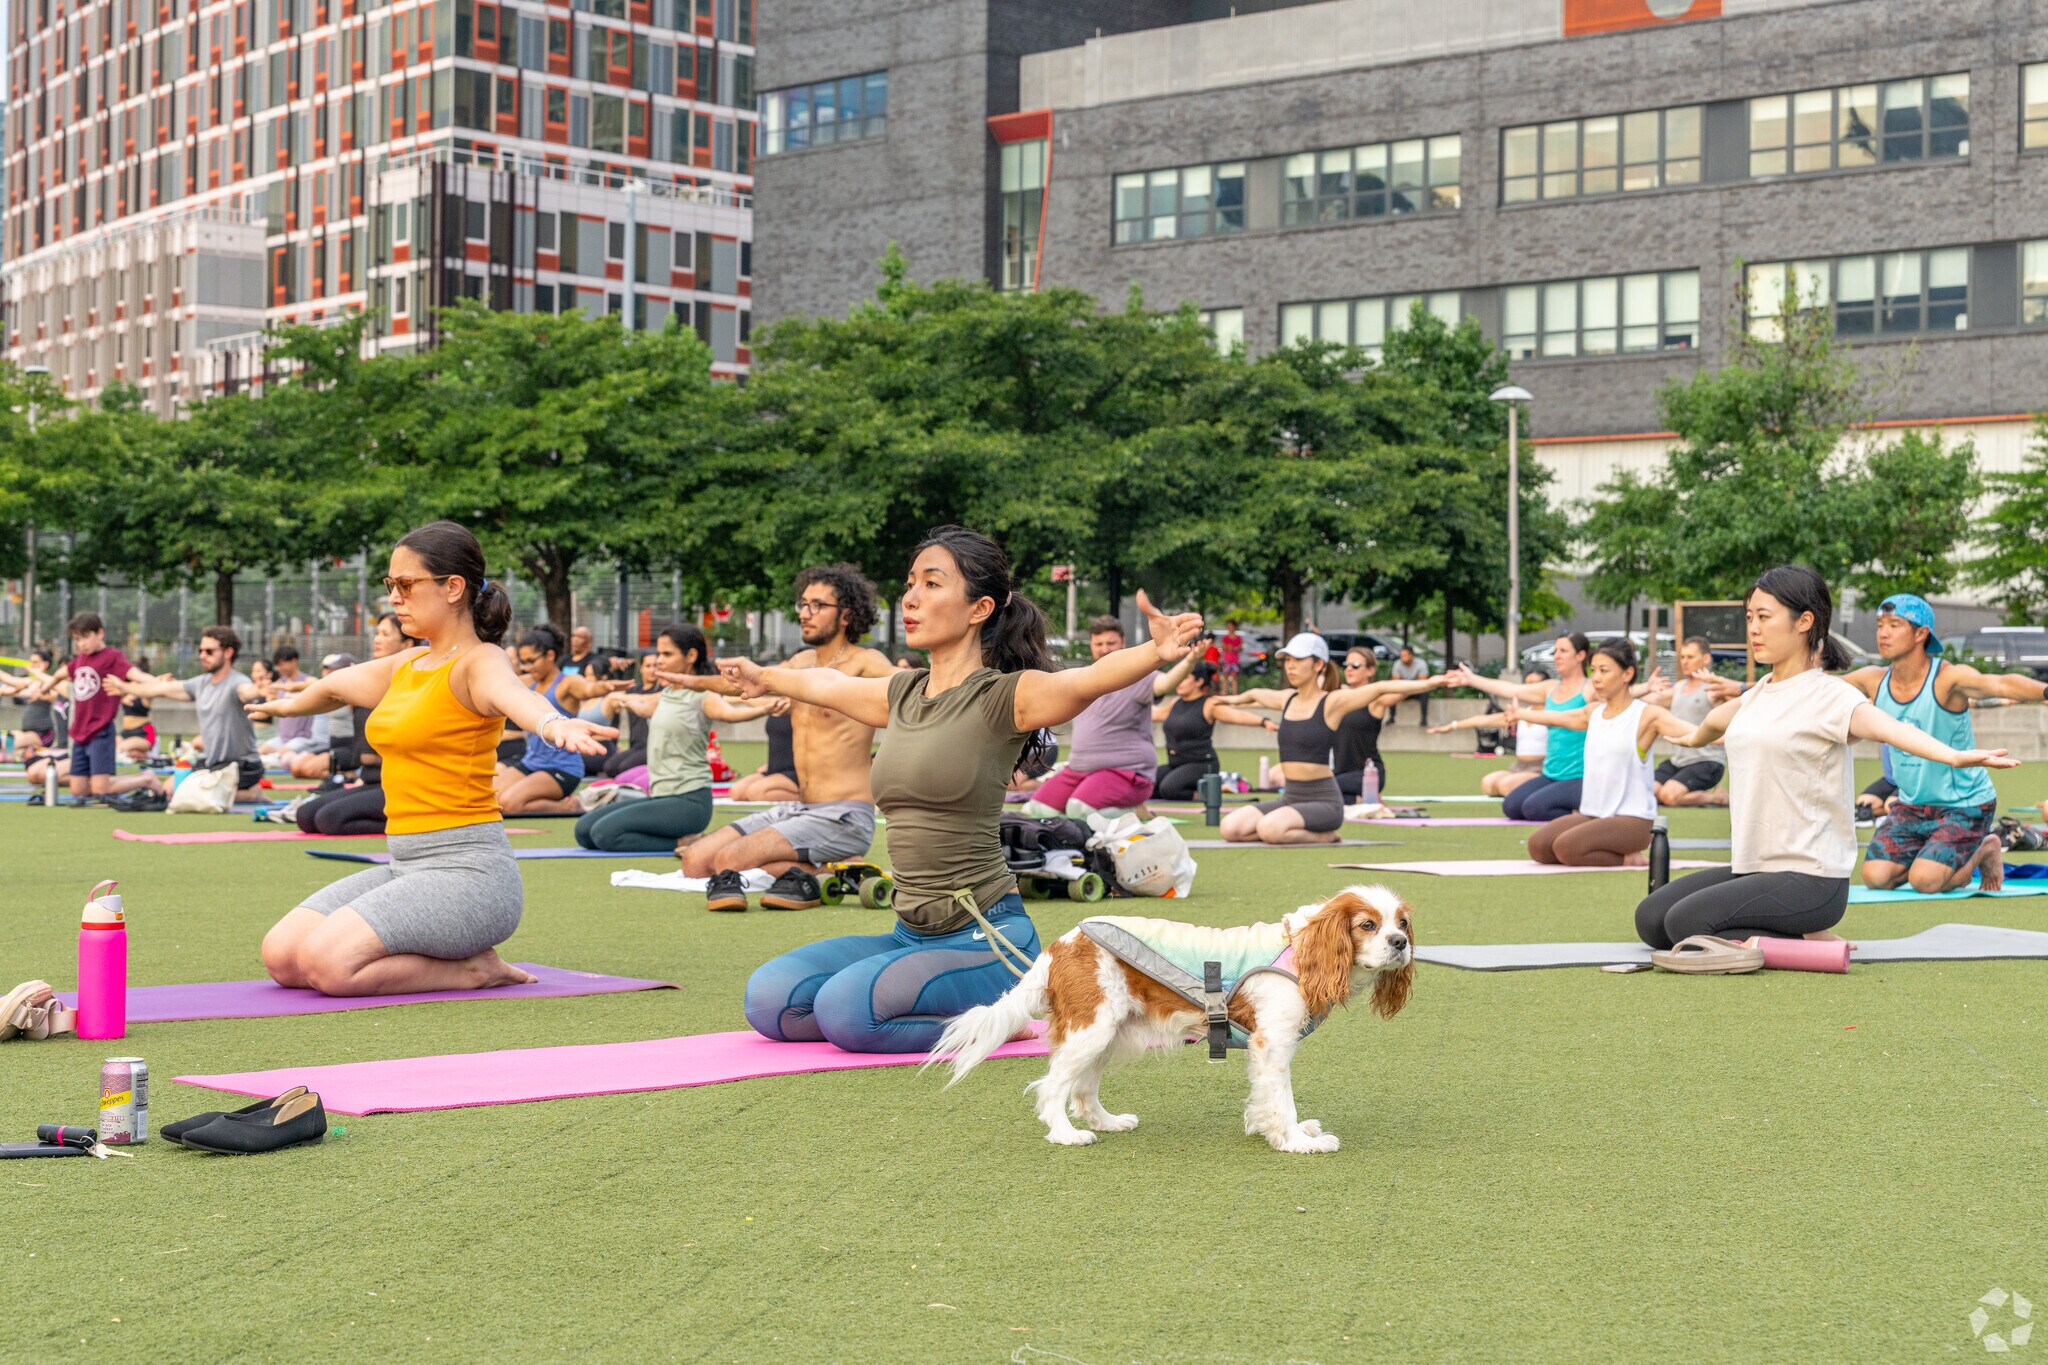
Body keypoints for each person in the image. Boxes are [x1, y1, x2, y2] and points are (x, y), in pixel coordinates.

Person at [730, 524, 1205, 1053]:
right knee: (771, 1000)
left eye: (932, 584)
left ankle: (1004, 1019)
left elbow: (1083, 680)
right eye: (910, 583)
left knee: (846, 1012)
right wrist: (765, 678)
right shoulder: (904, 693)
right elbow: (830, 684)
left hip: (987, 936)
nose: (910, 598)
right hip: (911, 933)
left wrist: (1154, 651)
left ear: (979, 609)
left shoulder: (1007, 698)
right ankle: (956, 1007)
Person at [253, 521, 614, 996]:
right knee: (282, 957)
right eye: (390, 586)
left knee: (328, 966)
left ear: (453, 588)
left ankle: (474, 970)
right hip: (406, 865)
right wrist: (287, 704)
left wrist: (552, 723)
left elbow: (513, 696)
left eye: (405, 584)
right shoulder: (408, 665)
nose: (394, 598)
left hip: (471, 876)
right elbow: (335, 687)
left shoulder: (479, 662)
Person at [1635, 567, 2016, 951]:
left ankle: (1810, 941)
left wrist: (1953, 755)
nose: (1753, 628)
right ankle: (1794, 936)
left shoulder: (1830, 695)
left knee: (1684, 923)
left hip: (1811, 879)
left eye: (1764, 617)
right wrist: (1691, 736)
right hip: (1758, 867)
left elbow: (1888, 727)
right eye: (1749, 617)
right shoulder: (1759, 693)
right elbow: (1717, 720)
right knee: (1652, 921)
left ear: (1804, 621)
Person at [679, 564, 897, 911]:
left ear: (845, 616)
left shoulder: (864, 662)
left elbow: (909, 686)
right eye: (803, 604)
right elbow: (744, 681)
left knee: (729, 859)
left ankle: (831, 864)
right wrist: (688, 680)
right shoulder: (801, 662)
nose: (805, 614)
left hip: (844, 815)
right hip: (801, 808)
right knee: (695, 861)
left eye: (817, 606)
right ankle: (832, 870)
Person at [1838, 592, 2046, 894]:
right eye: (1880, 624)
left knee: (1926, 881)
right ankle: (1935, 854)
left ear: (1921, 633)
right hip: (1912, 805)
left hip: (1965, 805)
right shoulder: (1873, 679)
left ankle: (1986, 847)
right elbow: (1818, 690)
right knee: (1875, 877)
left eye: (1894, 624)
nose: (1883, 632)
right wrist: (1751, 689)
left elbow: (1999, 683)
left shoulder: (1947, 679)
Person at [1219, 634, 1441, 844]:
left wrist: (1430, 684)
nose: (1290, 666)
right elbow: (1254, 694)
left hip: (1323, 801)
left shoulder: (1332, 703)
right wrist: (1225, 700)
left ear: (1318, 665)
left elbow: (1381, 688)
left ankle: (1325, 836)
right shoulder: (1287, 699)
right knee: (1230, 827)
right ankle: (1283, 830)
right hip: (1291, 797)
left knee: (1270, 828)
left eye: (1298, 660)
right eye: (1287, 660)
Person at [575, 624, 775, 853]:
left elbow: (730, 714)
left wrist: (765, 709)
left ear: (691, 655)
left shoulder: (702, 696)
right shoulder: (667, 694)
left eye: (667, 654)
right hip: (661, 797)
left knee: (604, 834)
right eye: (658, 654)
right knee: (584, 830)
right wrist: (617, 697)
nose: (659, 660)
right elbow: (641, 705)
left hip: (688, 802)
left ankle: (687, 842)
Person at [1506, 641, 1688, 866]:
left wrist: (1727, 732)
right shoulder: (1593, 712)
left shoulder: (1646, 715)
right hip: (1594, 813)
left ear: (1627, 673)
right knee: (1538, 847)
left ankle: (1629, 859)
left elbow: (1694, 732)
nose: (1596, 678)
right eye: (1593, 671)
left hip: (1633, 819)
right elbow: (1557, 717)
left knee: (1567, 848)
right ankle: (1611, 851)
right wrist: (1521, 715)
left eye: (1604, 671)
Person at [1447, 633, 1660, 823]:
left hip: (1581, 776)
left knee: (1534, 808)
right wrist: (1472, 679)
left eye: (1563, 651)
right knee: (1512, 805)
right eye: (1555, 651)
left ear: (1580, 656)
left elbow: (1620, 694)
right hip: (1553, 773)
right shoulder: (1550, 688)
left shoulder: (1591, 688)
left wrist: (1645, 687)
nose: (1556, 656)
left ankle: (1587, 816)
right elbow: (1512, 689)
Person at [1019, 613, 1180, 821]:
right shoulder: (1083, 678)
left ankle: (1132, 811)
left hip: (1126, 772)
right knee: (1035, 810)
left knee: (1078, 809)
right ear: (1092, 646)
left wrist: (1189, 660)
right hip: (1078, 771)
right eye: (1099, 643)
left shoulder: (1138, 675)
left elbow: (1166, 684)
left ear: (1123, 642)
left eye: (1111, 643)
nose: (1105, 648)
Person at [106, 626, 268, 803]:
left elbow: (246, 692)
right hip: (212, 763)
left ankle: (253, 794)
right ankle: (231, 792)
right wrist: (124, 687)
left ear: (228, 652)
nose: (202, 656)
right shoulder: (201, 684)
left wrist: (257, 690)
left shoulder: (238, 682)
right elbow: (161, 689)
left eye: (209, 651)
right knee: (167, 792)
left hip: (242, 766)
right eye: (200, 651)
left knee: (188, 795)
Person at [493, 623, 632, 815]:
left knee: (508, 804)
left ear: (550, 656)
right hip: (530, 762)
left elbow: (588, 689)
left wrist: (606, 687)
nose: (526, 667)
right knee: (487, 797)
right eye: (523, 662)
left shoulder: (567, 683)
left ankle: (570, 805)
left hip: (562, 768)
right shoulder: (527, 682)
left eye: (531, 661)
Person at [295, 616, 415, 837]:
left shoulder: (413, 683)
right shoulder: (368, 679)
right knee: (305, 815)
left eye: (385, 634)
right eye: (377, 633)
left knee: (329, 819)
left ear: (407, 645)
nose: (377, 639)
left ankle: (416, 827)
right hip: (370, 780)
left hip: (400, 785)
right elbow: (327, 686)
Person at [38, 613, 159, 802]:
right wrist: (47, 685)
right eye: (77, 639)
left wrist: (158, 682)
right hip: (80, 732)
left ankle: (147, 779)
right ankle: (102, 783)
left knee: (101, 789)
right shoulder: (80, 660)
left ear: (100, 633)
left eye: (85, 637)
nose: (81, 644)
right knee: (78, 790)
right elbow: (63, 672)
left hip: (100, 731)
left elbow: (135, 674)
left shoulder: (112, 657)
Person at [1149, 656, 1273, 800]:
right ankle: (1185, 788)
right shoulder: (1176, 703)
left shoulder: (1208, 705)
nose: (1178, 682)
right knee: (1147, 785)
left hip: (1202, 764)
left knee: (1169, 789)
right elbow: (1156, 714)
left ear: (1199, 681)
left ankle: (1207, 793)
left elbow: (1236, 715)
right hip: (1176, 764)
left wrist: (1263, 721)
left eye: (1184, 677)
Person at [1332, 646, 1442, 801]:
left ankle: (1363, 797)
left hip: (1368, 773)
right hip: (1339, 772)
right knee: (1321, 792)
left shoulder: (1376, 699)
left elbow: (1399, 690)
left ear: (1370, 670)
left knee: (1323, 788)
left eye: (1355, 666)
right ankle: (1360, 800)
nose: (1349, 669)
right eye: (1346, 665)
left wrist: (1429, 683)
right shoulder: (1337, 697)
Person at [1428, 668, 1553, 798]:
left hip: (1541, 768)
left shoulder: (1554, 713)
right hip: (1519, 766)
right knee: (1488, 784)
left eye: (1534, 684)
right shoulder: (1520, 713)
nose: (1528, 688)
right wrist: (1452, 726)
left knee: (1506, 786)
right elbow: (1485, 720)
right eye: (1526, 684)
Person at [1648, 636, 1742, 807]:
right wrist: (1644, 687)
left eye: (1690, 657)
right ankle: (1692, 794)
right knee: (1647, 793)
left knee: (1668, 796)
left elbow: (1745, 704)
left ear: (1706, 659)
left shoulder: (1713, 689)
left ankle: (1717, 798)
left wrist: (1720, 684)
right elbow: (1651, 699)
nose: (1684, 661)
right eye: (1682, 657)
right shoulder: (1678, 688)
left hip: (1707, 762)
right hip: (1679, 761)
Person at [597, 652, 661, 778]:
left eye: (656, 666)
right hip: (636, 747)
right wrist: (612, 666)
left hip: (652, 747)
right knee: (610, 767)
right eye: (648, 666)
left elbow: (643, 700)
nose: (652, 670)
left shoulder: (661, 690)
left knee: (624, 768)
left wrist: (626, 698)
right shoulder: (633, 689)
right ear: (641, 668)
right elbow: (610, 694)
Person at [727, 702, 802, 802]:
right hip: (775, 768)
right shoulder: (779, 702)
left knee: (755, 793)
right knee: (736, 792)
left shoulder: (806, 707)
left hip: (796, 771)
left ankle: (812, 797)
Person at [116, 654, 157, 763]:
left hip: (145, 733)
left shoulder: (145, 694)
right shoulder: (125, 692)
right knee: (109, 746)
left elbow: (152, 687)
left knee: (121, 748)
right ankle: (145, 756)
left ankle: (146, 754)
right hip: (126, 733)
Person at [1391, 644, 1430, 725]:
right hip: (1403, 690)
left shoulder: (1421, 664)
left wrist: (1410, 688)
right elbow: (1395, 682)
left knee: (1425, 693)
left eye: (1404, 655)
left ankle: (1424, 718)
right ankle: (1391, 717)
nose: (1402, 657)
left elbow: (1423, 683)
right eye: (1401, 655)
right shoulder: (1397, 664)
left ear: (1411, 655)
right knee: (1391, 692)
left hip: (1417, 690)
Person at [1218, 621, 1244, 693]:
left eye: (1231, 626)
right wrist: (1230, 648)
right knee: (1225, 676)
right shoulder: (1225, 638)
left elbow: (1241, 647)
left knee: (1234, 677)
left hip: (1235, 660)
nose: (1229, 628)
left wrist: (1236, 648)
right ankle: (1224, 692)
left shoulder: (1238, 638)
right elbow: (1223, 648)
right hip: (1227, 659)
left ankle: (1234, 693)